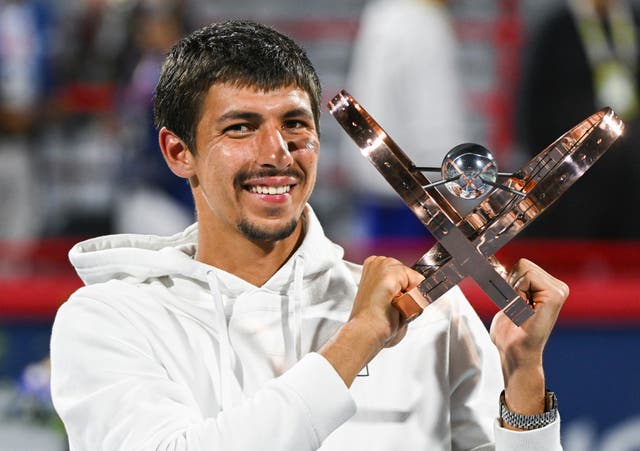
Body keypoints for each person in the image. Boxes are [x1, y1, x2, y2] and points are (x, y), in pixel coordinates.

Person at [50, 20, 568, 450]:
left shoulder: (434, 315)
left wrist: (523, 377)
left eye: (295, 124)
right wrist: (360, 338)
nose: (276, 153)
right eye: (240, 127)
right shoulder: (110, 319)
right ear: (177, 152)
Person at [341, 0, 468, 239]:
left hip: (375, 188)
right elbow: (433, 120)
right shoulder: (424, 25)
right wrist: (455, 187)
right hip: (419, 195)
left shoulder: (380, 16)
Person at [515, 0, 640, 238]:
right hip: (573, 179)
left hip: (632, 185)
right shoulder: (557, 30)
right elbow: (534, 108)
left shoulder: (634, 22)